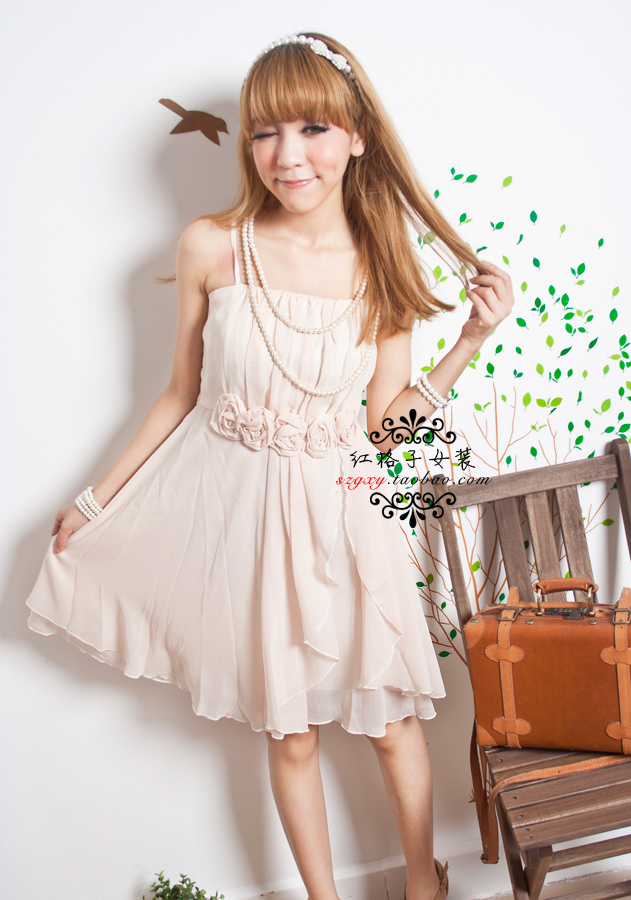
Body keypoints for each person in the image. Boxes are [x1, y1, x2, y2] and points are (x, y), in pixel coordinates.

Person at [26, 32, 514, 900]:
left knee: (390, 721)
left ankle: (422, 883)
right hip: (247, 520)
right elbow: (179, 395)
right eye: (264, 132)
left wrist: (468, 343)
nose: (288, 156)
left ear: (356, 138)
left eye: (313, 129)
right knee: (290, 735)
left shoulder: (384, 266)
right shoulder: (212, 246)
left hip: (346, 516)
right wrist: (95, 502)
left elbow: (385, 430)